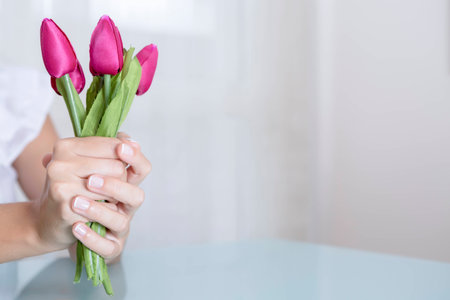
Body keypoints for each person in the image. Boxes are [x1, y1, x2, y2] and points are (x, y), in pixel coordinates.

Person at [0, 66, 151, 263]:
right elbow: (46, 225)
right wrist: (35, 226)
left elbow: (66, 219)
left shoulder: (13, 96)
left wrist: (103, 223)